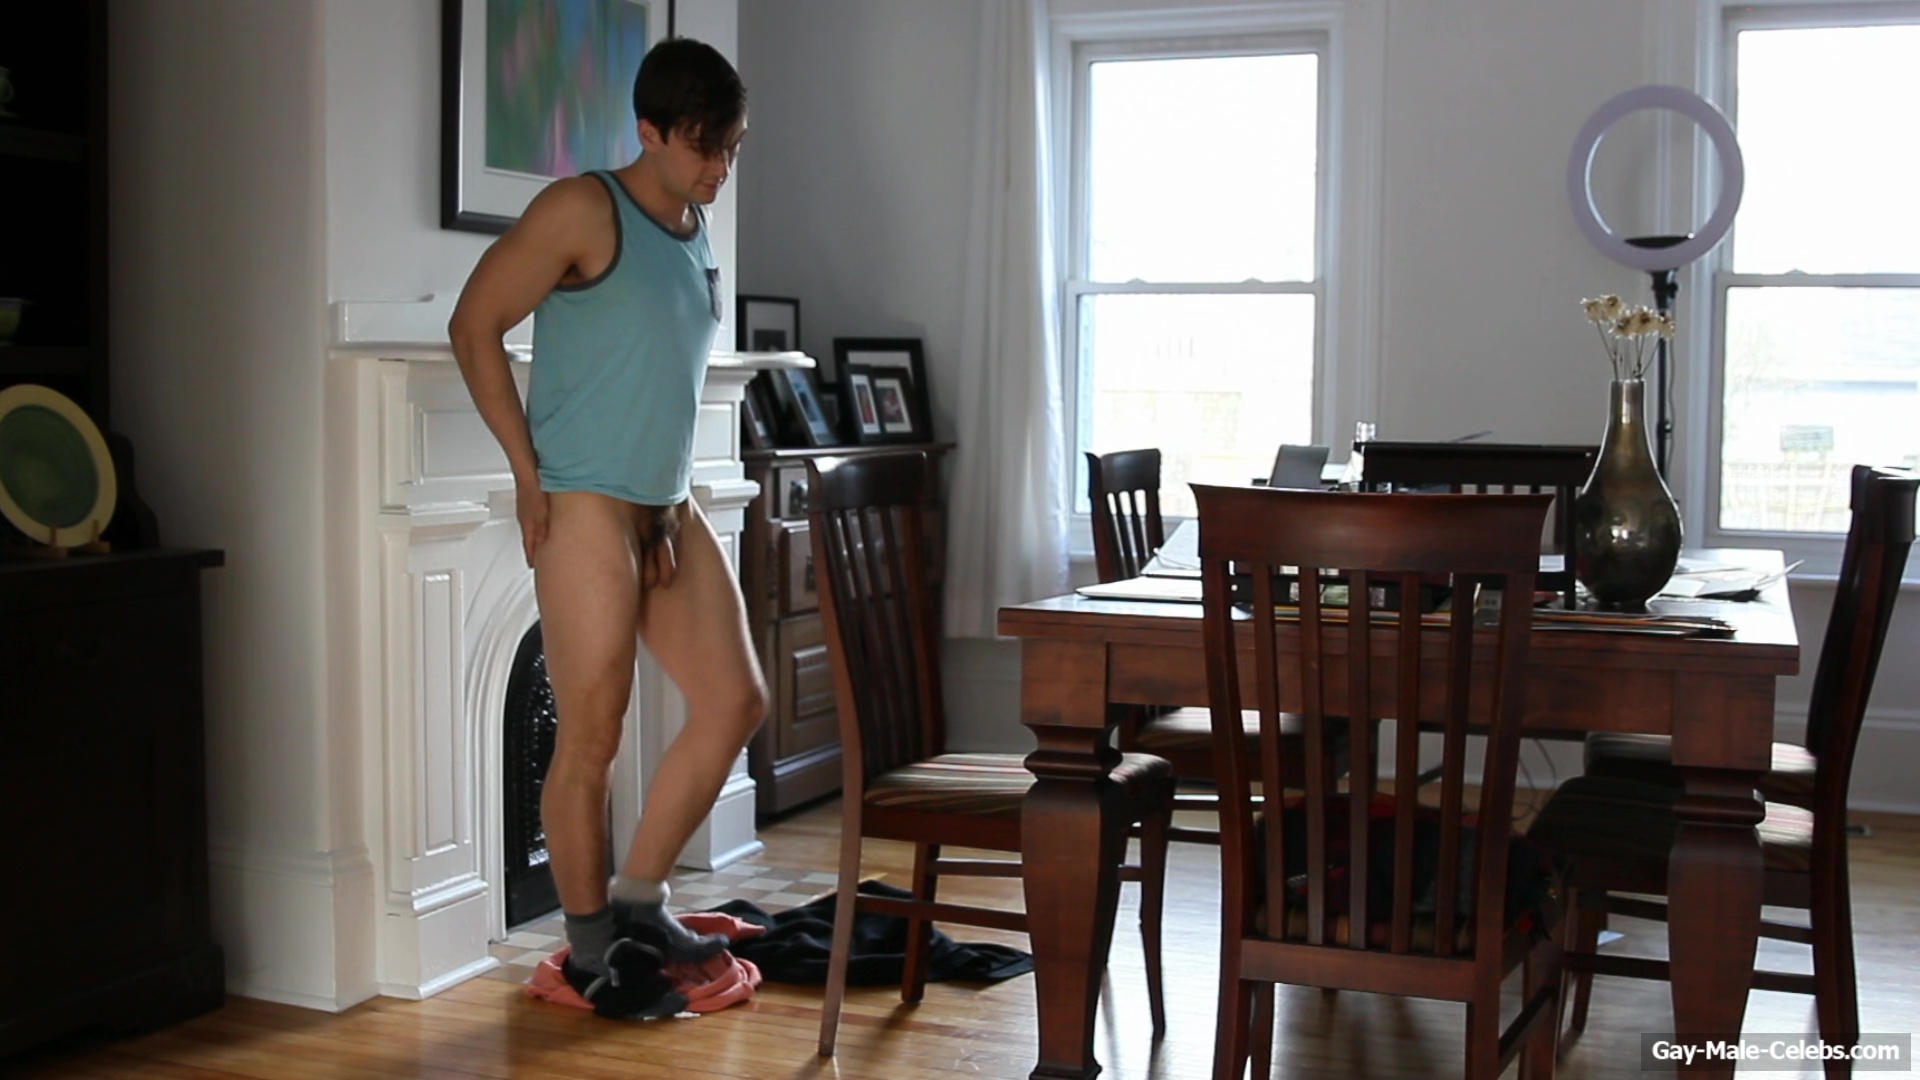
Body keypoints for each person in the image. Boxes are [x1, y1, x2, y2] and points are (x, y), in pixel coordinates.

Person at [448, 37, 763, 1021]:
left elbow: (659, 368)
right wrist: (527, 475)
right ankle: (591, 950)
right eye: (704, 147)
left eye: (731, 148)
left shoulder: (694, 225)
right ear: (650, 132)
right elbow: (473, 324)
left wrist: (668, 494)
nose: (719, 169)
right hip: (582, 499)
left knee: (734, 701)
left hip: (664, 504)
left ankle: (638, 903)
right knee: (592, 734)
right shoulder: (583, 209)